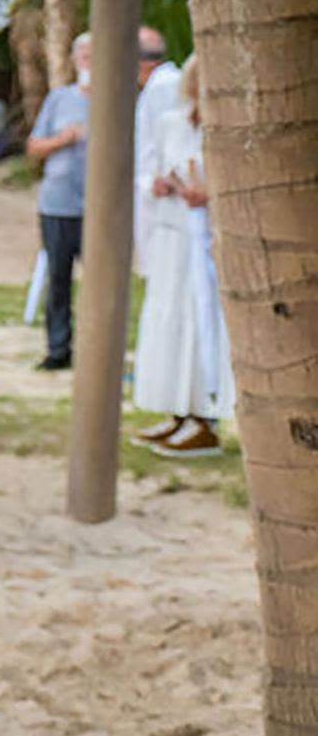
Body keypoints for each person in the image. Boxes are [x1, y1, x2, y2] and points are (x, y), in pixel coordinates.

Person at [132, 59, 233, 456]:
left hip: (206, 239)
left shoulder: (226, 129)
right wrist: (156, 185)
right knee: (169, 323)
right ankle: (176, 409)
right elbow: (152, 168)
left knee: (202, 323)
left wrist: (210, 196)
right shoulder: (172, 122)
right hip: (173, 236)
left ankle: (205, 416)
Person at [25, 33, 92, 372]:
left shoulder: (116, 100)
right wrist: (62, 141)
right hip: (58, 204)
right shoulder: (59, 99)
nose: (88, 62)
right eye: (83, 56)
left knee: (98, 282)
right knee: (58, 278)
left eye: (94, 56)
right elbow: (34, 146)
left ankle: (98, 350)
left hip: (98, 210)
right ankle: (58, 348)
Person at [131, 28, 182, 281]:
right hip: (153, 192)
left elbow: (171, 142)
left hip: (164, 195)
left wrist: (162, 179)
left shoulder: (165, 86)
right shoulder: (155, 87)